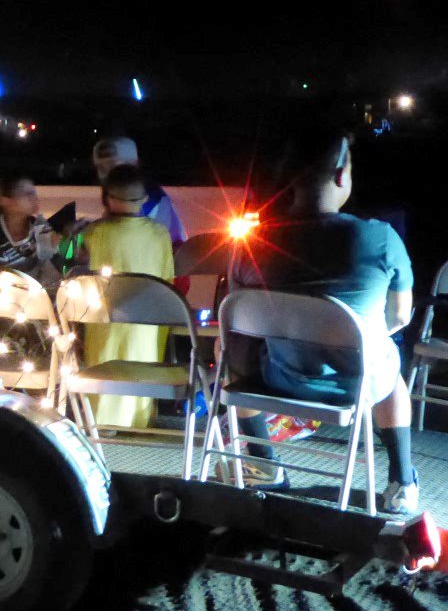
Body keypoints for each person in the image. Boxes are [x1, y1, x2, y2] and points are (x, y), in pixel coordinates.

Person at [230, 129, 418, 512]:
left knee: (229, 346)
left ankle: (264, 464)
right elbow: (399, 316)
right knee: (389, 358)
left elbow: (236, 319)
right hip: (359, 386)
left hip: (277, 381)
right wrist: (353, 334)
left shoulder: (252, 244)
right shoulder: (379, 239)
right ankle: (402, 482)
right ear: (341, 174)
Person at [76, 164, 176, 429]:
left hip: (104, 321)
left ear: (108, 199)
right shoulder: (160, 234)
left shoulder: (93, 233)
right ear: (144, 199)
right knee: (141, 370)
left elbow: (77, 268)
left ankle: (100, 425)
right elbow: (167, 280)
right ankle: (137, 423)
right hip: (148, 323)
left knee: (104, 369)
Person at [0, 170, 60, 287]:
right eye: (28, 194)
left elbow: (53, 278)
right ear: (6, 201)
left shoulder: (42, 231)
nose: (35, 199)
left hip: (29, 297)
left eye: (34, 194)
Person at [92, 136, 186, 246]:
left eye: (114, 166)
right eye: (102, 168)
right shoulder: (122, 196)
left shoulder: (150, 203)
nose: (108, 174)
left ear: (134, 165)